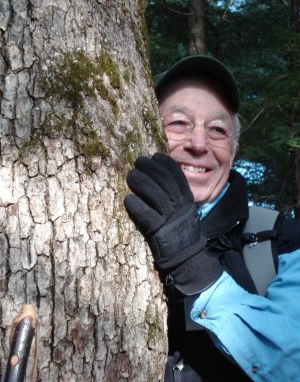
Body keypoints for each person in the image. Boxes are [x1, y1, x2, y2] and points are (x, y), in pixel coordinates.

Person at [124, 55, 300, 381]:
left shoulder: (284, 240)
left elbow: (294, 362)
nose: (198, 143)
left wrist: (193, 265)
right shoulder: (113, 221)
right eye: (178, 123)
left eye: (217, 130)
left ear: (234, 149)